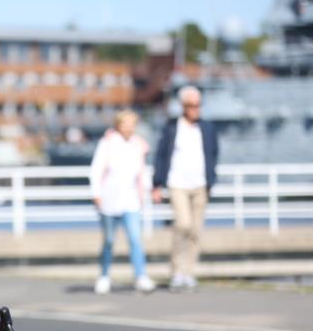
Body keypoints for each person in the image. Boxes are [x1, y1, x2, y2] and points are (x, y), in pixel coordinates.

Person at [152, 85, 219, 291]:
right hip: (177, 183)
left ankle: (188, 272)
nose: (195, 109)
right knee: (183, 224)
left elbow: (213, 153)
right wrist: (157, 183)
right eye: (191, 105)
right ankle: (176, 270)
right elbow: (161, 155)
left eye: (198, 105)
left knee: (196, 231)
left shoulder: (207, 128)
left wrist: (210, 179)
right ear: (182, 106)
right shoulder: (172, 127)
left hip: (200, 184)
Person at [89, 110, 155, 294]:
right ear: (118, 125)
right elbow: (97, 168)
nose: (129, 128)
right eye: (126, 124)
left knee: (135, 239)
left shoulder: (138, 145)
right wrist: (96, 193)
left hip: (131, 200)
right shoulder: (108, 143)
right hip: (109, 199)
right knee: (109, 241)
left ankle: (140, 276)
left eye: (132, 124)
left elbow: (142, 171)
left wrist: (150, 189)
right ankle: (104, 276)